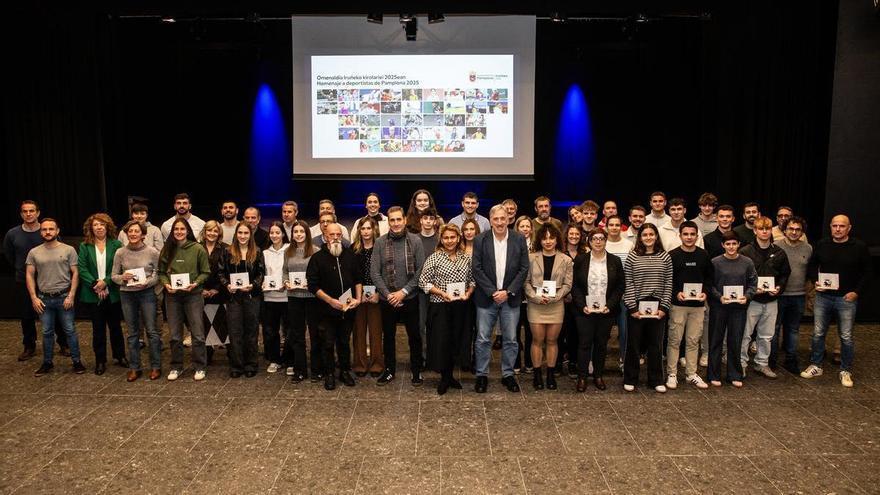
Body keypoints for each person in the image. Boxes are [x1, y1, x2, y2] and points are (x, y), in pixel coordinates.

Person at [800, 214, 872, 388]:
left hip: (846, 298)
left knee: (846, 336)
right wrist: (815, 280)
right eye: (834, 226)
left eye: (841, 226)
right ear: (830, 227)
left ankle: (845, 370)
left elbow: (868, 272)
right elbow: (811, 265)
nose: (838, 229)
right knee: (818, 333)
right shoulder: (823, 244)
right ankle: (816, 365)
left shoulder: (859, 247)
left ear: (849, 228)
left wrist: (856, 292)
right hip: (824, 297)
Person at [472, 204, 529, 393]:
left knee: (512, 339)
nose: (499, 222)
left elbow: (524, 268)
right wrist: (492, 292)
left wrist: (508, 291)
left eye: (502, 218)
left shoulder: (519, 239)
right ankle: (481, 375)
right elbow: (476, 268)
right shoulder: (481, 239)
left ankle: (508, 374)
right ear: (490, 220)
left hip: (510, 298)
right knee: (482, 339)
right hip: (486, 298)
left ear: (508, 219)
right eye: (495, 219)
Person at [5, 200, 69, 360]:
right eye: (25, 211)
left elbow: (59, 250)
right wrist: (23, 268)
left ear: (38, 213)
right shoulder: (13, 234)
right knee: (26, 315)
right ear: (21, 214)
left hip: (48, 280)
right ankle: (29, 346)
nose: (28, 214)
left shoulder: (47, 230)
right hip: (24, 281)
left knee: (56, 314)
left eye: (31, 211)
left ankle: (64, 344)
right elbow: (9, 255)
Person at [370, 206, 426, 386]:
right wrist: (388, 295)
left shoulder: (415, 241)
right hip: (388, 300)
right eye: (392, 220)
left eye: (398, 219)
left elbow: (420, 271)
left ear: (404, 220)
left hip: (410, 297)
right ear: (389, 221)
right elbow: (375, 273)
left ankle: (416, 370)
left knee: (414, 336)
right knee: (389, 336)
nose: (395, 223)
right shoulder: (380, 242)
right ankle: (389, 370)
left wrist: (403, 292)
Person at [418, 223, 475, 394]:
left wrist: (468, 293)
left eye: (452, 237)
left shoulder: (466, 258)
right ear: (441, 240)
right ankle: (444, 377)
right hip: (440, 306)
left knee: (456, 340)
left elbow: (473, 281)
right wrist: (442, 293)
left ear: (458, 238)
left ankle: (450, 375)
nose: (449, 241)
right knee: (442, 341)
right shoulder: (434, 258)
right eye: (446, 238)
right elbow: (423, 283)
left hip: (461, 306)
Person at [307, 223, 362, 390]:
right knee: (328, 343)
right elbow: (312, 285)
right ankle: (329, 374)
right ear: (326, 235)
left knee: (344, 342)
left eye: (338, 234)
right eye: (332, 235)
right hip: (325, 310)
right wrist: (330, 300)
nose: (336, 238)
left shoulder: (350, 255)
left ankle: (345, 371)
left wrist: (358, 299)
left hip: (347, 310)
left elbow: (358, 279)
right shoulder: (317, 258)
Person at [26, 219, 85, 376]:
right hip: (43, 299)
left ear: (57, 231)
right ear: (41, 232)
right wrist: (34, 297)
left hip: (64, 297)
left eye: (51, 229)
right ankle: (47, 363)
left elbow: (76, 273)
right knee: (46, 332)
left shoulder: (69, 249)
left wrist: (71, 295)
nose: (48, 232)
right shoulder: (34, 252)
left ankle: (77, 362)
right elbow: (29, 275)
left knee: (70, 330)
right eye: (44, 229)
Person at [571, 228, 624, 391]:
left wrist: (610, 305)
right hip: (584, 311)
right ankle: (582, 377)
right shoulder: (581, 260)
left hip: (606, 311)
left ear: (606, 240)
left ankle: (598, 376)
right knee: (585, 343)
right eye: (595, 238)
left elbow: (620, 286)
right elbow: (575, 286)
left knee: (601, 344)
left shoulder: (615, 261)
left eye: (601, 238)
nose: (598, 241)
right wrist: (582, 306)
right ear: (589, 241)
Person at [622, 223, 672, 393]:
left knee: (656, 345)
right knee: (634, 345)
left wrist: (664, 307)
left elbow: (668, 283)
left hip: (658, 306)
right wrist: (632, 307)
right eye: (645, 235)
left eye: (652, 234)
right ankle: (630, 378)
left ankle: (656, 380)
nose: (648, 237)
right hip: (636, 306)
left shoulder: (665, 257)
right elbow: (628, 282)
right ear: (640, 237)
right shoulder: (632, 256)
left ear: (656, 236)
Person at [158, 218, 210, 381]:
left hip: (193, 295)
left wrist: (195, 284)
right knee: (174, 335)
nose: (179, 232)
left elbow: (205, 272)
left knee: (197, 333)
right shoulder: (167, 249)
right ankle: (176, 366)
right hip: (172, 296)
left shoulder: (198, 249)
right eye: (176, 229)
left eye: (182, 229)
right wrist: (166, 285)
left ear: (188, 230)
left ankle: (200, 366)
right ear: (172, 232)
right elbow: (161, 273)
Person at [739, 217, 790, 379]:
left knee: (767, 335)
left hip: (771, 300)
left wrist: (779, 288)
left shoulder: (779, 252)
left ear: (771, 231)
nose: (764, 232)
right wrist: (751, 290)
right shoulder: (745, 252)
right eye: (761, 229)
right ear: (755, 231)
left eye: (767, 229)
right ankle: (741, 364)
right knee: (745, 334)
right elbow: (740, 276)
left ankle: (762, 363)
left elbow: (784, 274)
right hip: (751, 301)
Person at [524, 223, 573, 390]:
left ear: (557, 239)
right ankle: (537, 374)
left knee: (552, 341)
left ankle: (550, 374)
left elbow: (568, 284)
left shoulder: (566, 259)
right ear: (539, 240)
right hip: (536, 305)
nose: (548, 241)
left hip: (556, 305)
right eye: (544, 238)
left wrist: (556, 297)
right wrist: (535, 296)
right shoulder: (531, 258)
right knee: (537, 340)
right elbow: (526, 282)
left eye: (551, 238)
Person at [111, 220, 161, 381]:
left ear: (143, 234)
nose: (133, 234)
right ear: (126, 234)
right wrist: (122, 278)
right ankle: (135, 367)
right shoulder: (120, 252)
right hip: (127, 294)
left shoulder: (152, 252)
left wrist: (148, 281)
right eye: (130, 231)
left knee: (152, 331)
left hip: (147, 294)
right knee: (132, 333)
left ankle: (156, 366)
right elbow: (114, 276)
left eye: (136, 231)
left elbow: (159, 274)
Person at [77, 213, 126, 375]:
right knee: (98, 329)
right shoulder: (85, 246)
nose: (99, 227)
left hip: (112, 292)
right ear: (91, 228)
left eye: (102, 224)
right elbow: (82, 268)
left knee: (116, 327)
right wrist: (96, 285)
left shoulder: (117, 244)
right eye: (96, 225)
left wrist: (106, 282)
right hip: (93, 293)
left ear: (108, 227)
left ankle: (120, 356)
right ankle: (100, 360)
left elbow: (119, 268)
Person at [666, 221, 713, 390]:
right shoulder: (672, 255)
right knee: (674, 340)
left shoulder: (703, 255)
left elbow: (709, 279)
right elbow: (667, 280)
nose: (689, 237)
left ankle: (691, 373)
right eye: (685, 234)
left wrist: (705, 293)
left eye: (692, 234)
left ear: (697, 235)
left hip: (698, 306)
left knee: (693, 340)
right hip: (678, 305)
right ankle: (672, 373)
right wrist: (675, 293)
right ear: (680, 236)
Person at [707, 231, 757, 388]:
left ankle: (734, 374)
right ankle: (713, 374)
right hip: (719, 307)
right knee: (715, 340)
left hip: (738, 308)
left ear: (739, 245)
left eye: (734, 244)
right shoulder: (715, 262)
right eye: (728, 244)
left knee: (735, 341)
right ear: (723, 245)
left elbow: (753, 283)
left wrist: (747, 296)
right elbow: (709, 284)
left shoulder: (747, 262)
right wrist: (719, 297)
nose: (731, 247)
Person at [219, 222, 265, 378]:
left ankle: (251, 364)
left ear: (250, 235)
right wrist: (227, 285)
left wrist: (253, 285)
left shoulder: (257, 252)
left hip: (252, 297)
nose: (243, 236)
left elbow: (261, 273)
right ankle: (237, 365)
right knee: (235, 332)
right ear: (236, 234)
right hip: (233, 298)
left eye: (246, 233)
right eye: (240, 233)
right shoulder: (227, 252)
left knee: (251, 332)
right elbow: (221, 273)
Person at [283, 220, 322, 382]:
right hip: (294, 298)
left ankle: (317, 370)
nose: (298, 234)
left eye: (301, 231)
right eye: (295, 232)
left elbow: (321, 274)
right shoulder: (288, 251)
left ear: (307, 233)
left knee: (315, 335)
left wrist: (311, 284)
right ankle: (300, 370)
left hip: (312, 298)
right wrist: (286, 282)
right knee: (297, 335)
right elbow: (285, 272)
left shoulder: (316, 251)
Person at [772, 216, 811, 373]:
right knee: (774, 329)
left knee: (793, 329)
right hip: (779, 295)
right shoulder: (776, 246)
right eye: (791, 229)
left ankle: (791, 360)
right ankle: (771, 360)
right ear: (785, 230)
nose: (794, 232)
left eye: (797, 230)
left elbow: (810, 272)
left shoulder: (808, 248)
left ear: (802, 232)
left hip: (798, 295)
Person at [351, 216, 384, 377]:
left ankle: (377, 364)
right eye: (362, 228)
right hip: (358, 296)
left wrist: (379, 293)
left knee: (376, 332)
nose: (365, 231)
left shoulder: (381, 248)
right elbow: (351, 275)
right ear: (359, 231)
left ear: (374, 230)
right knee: (359, 331)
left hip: (377, 296)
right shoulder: (353, 249)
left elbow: (384, 273)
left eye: (368, 228)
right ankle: (360, 364)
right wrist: (358, 295)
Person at [604, 215, 633, 372]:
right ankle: (597, 361)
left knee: (624, 331)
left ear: (621, 227)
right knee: (603, 331)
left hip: (624, 295)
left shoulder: (628, 245)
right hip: (605, 296)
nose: (614, 227)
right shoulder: (602, 243)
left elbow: (631, 270)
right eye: (611, 225)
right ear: (607, 226)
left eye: (617, 225)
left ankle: (623, 360)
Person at [199, 221, 228, 365]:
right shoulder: (196, 248)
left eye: (215, 231)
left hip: (220, 292)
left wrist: (216, 288)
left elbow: (226, 272)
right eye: (209, 230)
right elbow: (193, 270)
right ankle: (207, 355)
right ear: (204, 232)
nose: (212, 233)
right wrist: (201, 289)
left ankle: (231, 354)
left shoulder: (225, 249)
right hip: (200, 292)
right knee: (204, 324)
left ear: (219, 233)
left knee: (223, 323)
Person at [262, 222, 290, 373]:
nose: (274, 235)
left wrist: (287, 283)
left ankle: (289, 360)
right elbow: (263, 274)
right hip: (269, 297)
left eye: (277, 232)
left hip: (287, 297)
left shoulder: (289, 249)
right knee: (271, 331)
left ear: (283, 234)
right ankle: (274, 360)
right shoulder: (265, 253)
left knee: (289, 331)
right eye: (271, 233)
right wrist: (261, 284)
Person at [560, 223, 584, 376]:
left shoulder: (586, 253)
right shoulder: (560, 253)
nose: (574, 236)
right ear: (566, 235)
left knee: (576, 333)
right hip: (562, 298)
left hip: (580, 299)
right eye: (571, 234)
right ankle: (557, 362)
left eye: (577, 234)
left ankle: (573, 362)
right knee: (560, 332)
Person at [512, 215, 534, 372]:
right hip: (515, 293)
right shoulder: (510, 245)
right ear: (517, 228)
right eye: (522, 226)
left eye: (527, 226)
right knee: (514, 331)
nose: (525, 229)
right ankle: (516, 362)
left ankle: (529, 361)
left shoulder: (537, 246)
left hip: (532, 295)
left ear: (531, 229)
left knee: (531, 331)